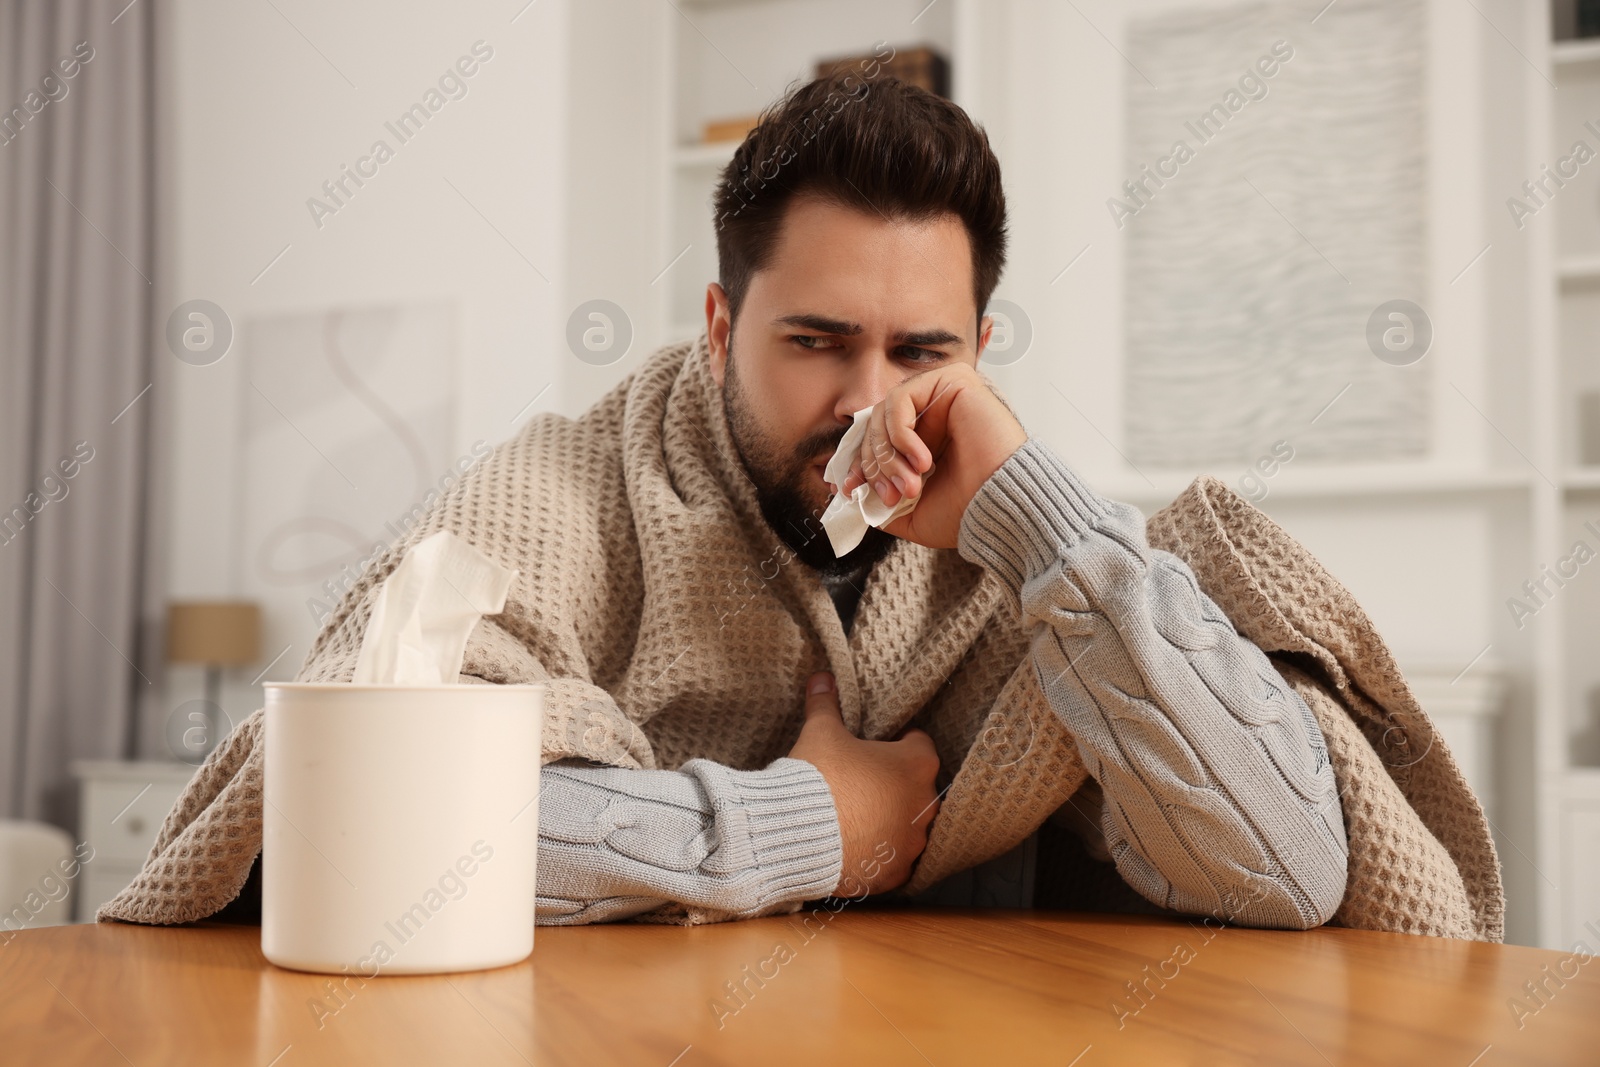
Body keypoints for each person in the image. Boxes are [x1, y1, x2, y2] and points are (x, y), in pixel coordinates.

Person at [522, 70, 1348, 929]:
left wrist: (1043, 531)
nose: (865, 402)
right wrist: (810, 827)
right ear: (722, 329)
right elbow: (398, 816)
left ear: (979, 352)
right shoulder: (560, 494)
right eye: (815, 341)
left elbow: (1292, 874)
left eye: (920, 353)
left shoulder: (1030, 552)